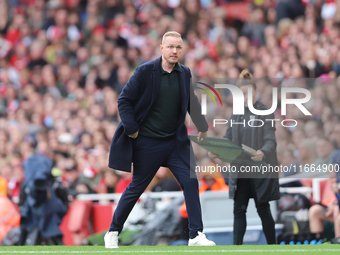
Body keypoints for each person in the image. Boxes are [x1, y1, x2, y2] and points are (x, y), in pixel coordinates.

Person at [105, 31, 216, 248]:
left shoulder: (184, 73)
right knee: (137, 187)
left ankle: (196, 235)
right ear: (162, 48)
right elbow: (124, 100)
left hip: (175, 142)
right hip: (148, 142)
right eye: (171, 47)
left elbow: (191, 101)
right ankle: (113, 232)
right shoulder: (145, 71)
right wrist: (132, 128)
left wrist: (202, 125)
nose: (175, 51)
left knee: (191, 182)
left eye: (178, 47)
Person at [211, 70, 280, 245]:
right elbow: (228, 138)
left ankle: (273, 247)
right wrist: (217, 150)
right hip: (240, 170)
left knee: (263, 209)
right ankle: (236, 249)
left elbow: (270, 140)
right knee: (239, 210)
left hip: (260, 170)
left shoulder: (266, 111)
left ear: (255, 92)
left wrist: (263, 152)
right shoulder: (237, 113)